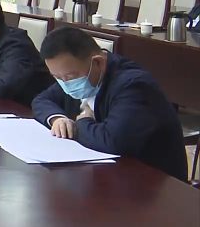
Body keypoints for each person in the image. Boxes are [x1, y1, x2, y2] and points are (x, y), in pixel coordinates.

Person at [32, 26, 187, 182]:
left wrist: (81, 123)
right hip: (107, 176)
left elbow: (113, 140)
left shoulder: (134, 85)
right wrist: (58, 119)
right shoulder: (72, 75)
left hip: (153, 183)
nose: (65, 84)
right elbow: (41, 100)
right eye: (57, 78)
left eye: (70, 77)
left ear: (98, 62)